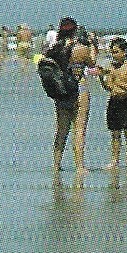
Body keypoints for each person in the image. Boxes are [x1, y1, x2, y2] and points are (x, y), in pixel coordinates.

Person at [38, 17, 86, 173]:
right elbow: (91, 62)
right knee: (79, 129)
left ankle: (56, 165)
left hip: (61, 91)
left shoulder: (54, 49)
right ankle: (79, 167)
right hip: (79, 88)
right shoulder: (79, 48)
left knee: (61, 129)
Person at [98, 37, 127, 170]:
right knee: (114, 133)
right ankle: (114, 160)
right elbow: (108, 87)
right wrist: (101, 77)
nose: (113, 55)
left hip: (125, 101)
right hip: (113, 101)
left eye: (116, 52)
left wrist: (115, 77)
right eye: (112, 52)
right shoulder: (112, 67)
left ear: (124, 52)